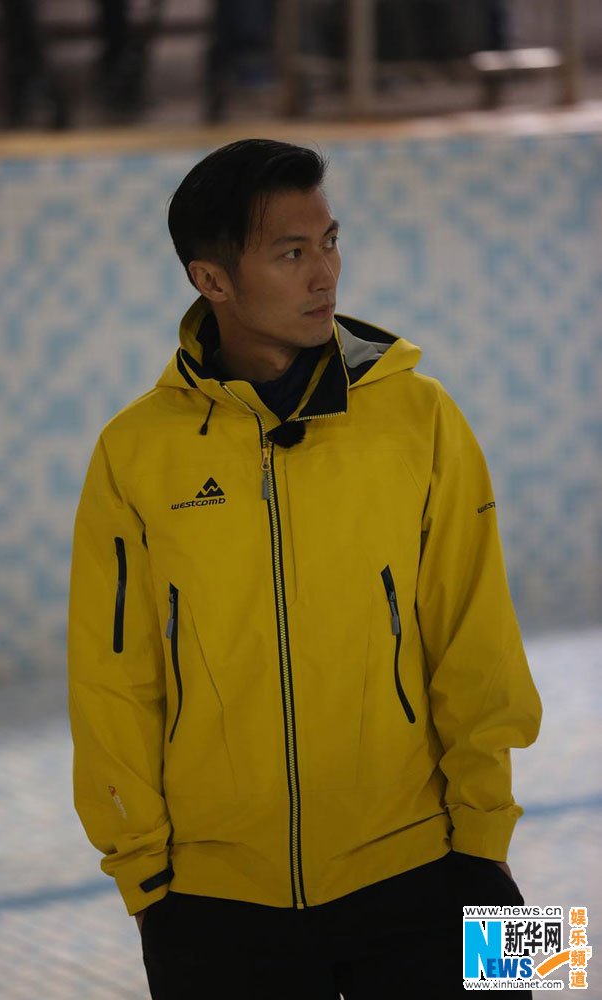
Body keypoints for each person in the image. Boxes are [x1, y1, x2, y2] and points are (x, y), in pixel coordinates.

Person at [68, 138, 543, 998]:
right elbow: (112, 680)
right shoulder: (133, 451)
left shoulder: (421, 414)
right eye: (291, 253)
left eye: (329, 241)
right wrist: (146, 884)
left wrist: (485, 841)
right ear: (211, 281)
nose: (325, 274)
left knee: (539, 971)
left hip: (432, 861)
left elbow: (477, 636)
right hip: (213, 901)